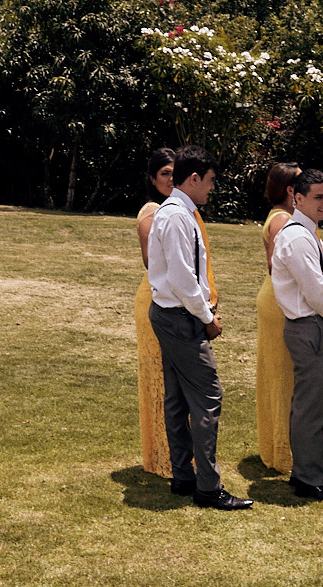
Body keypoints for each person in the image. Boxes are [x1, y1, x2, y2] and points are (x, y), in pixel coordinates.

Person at [147, 145, 252, 510]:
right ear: (192, 179)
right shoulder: (177, 216)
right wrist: (207, 318)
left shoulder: (177, 212)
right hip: (180, 317)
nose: (212, 188)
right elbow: (182, 278)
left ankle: (184, 476)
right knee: (208, 397)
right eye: (209, 181)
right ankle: (207, 486)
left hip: (169, 313)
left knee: (177, 398)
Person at [270, 169, 323, 503]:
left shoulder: (304, 233)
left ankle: (307, 468)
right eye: (319, 197)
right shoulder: (299, 237)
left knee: (310, 405)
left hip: (310, 324)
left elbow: (317, 284)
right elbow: (315, 291)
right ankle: (308, 477)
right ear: (297, 198)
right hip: (308, 326)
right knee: (310, 407)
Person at [256, 161, 301, 474]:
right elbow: (278, 266)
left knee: (280, 375)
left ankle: (277, 446)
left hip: (274, 298)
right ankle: (284, 452)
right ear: (289, 190)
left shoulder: (278, 216)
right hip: (281, 301)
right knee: (284, 376)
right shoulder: (282, 220)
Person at [135, 148, 177, 478]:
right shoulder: (152, 211)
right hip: (154, 296)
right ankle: (162, 455)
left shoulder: (175, 210)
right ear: (152, 178)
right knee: (159, 374)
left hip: (172, 294)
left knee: (173, 376)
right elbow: (153, 261)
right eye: (164, 173)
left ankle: (174, 450)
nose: (170, 179)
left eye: (175, 172)